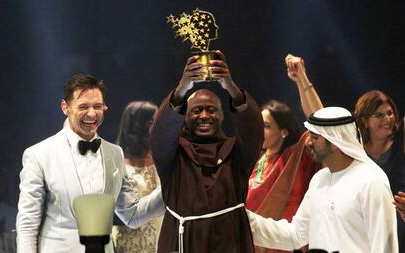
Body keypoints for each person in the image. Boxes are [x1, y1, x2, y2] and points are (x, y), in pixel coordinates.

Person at [16, 74, 165, 253]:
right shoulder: (39, 154)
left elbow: (131, 215)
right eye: (83, 106)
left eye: (97, 106)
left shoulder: (114, 153)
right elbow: (27, 224)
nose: (92, 113)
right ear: (65, 107)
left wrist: (173, 186)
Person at [150, 50, 264, 253]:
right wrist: (182, 88)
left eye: (211, 110)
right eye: (196, 110)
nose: (204, 115)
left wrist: (230, 87)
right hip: (182, 241)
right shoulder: (174, 154)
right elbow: (161, 133)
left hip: (230, 241)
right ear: (184, 117)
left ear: (222, 115)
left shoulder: (236, 153)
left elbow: (253, 130)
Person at [247, 106, 398, 252]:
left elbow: (384, 246)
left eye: (314, 137)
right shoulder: (319, 179)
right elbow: (296, 235)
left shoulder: (371, 181)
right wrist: (242, 218)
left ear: (335, 142)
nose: (308, 143)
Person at [246, 55, 323, 253]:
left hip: (288, 246)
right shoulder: (253, 162)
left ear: (284, 131)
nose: (259, 130)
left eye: (266, 126)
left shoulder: (296, 158)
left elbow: (321, 124)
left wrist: (301, 79)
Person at [354, 90, 405, 251]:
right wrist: (302, 80)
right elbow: (321, 120)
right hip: (367, 231)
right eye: (379, 115)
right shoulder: (355, 147)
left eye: (390, 113)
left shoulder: (402, 138)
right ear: (364, 120)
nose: (387, 119)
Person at [111, 101, 162, 253]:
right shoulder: (116, 165)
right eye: (153, 122)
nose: (157, 127)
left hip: (160, 238)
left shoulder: (161, 159)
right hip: (128, 242)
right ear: (138, 127)